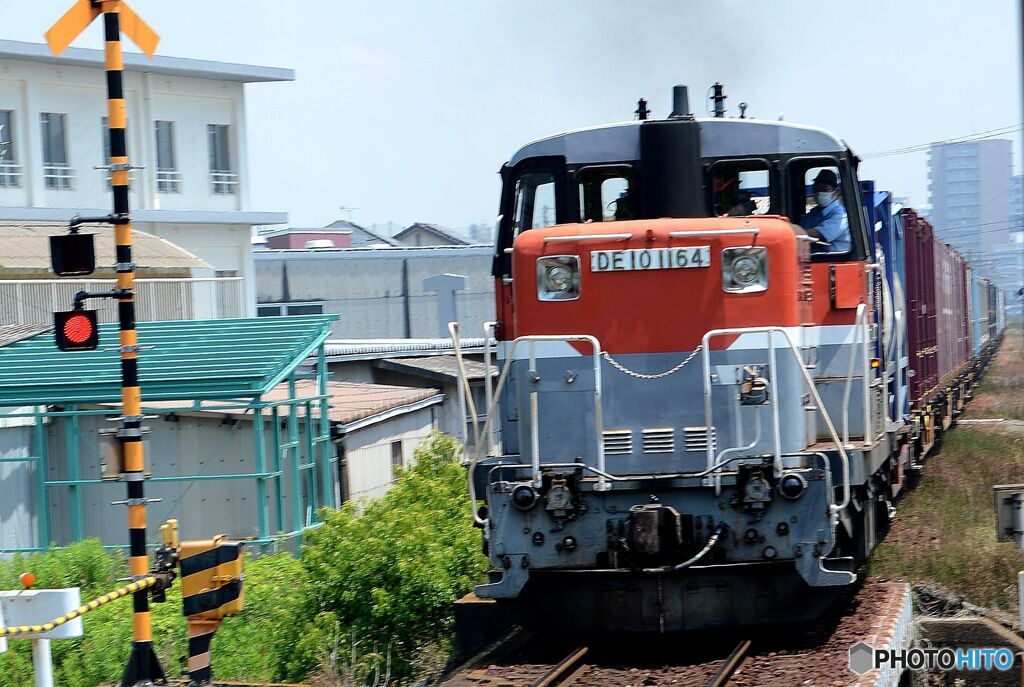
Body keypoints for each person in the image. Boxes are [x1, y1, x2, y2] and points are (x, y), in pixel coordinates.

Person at [800, 169, 850, 253]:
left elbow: (818, 233)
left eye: (825, 189)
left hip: (835, 261)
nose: (820, 193)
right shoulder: (812, 214)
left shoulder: (840, 215)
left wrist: (790, 232)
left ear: (836, 191)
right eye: (816, 189)